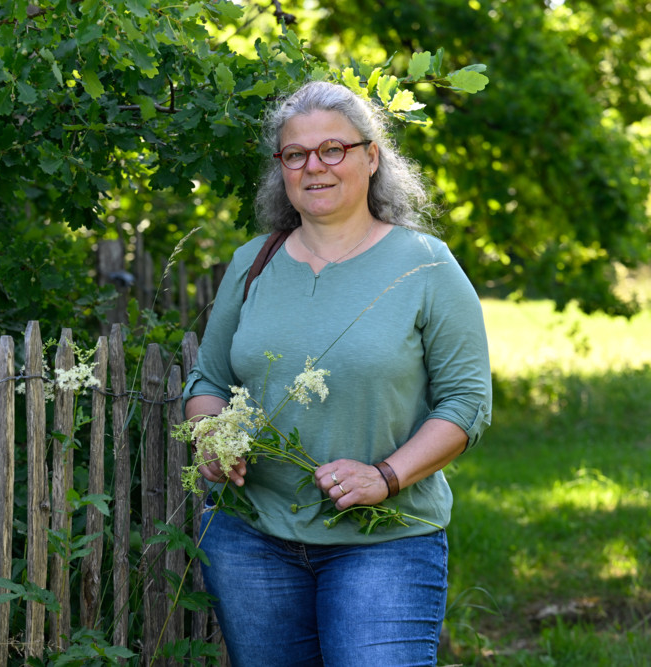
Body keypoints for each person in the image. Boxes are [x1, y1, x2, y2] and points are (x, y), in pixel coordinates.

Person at [182, 80, 493, 666]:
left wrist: (386, 475)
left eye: (334, 149)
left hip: (385, 545)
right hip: (251, 539)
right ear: (281, 168)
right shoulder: (255, 261)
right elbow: (208, 382)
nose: (314, 167)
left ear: (371, 156)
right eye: (295, 154)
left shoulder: (425, 265)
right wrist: (210, 438)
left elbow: (466, 404)